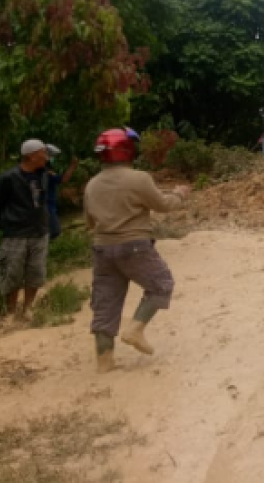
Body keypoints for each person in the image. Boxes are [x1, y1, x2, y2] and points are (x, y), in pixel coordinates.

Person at [84, 127, 190, 372]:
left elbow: (90, 222)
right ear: (127, 150)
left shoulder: (92, 184)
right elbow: (163, 205)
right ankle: (135, 329)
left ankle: (105, 364)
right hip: (134, 246)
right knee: (161, 284)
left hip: (102, 249)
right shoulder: (138, 178)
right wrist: (180, 194)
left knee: (104, 306)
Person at [0, 139, 52, 320]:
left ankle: (28, 308)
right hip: (15, 232)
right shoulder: (8, 178)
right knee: (12, 272)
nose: (46, 157)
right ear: (31, 156)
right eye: (42, 153)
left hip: (39, 230)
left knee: (36, 271)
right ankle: (10, 312)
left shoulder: (43, 174)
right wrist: (9, 220)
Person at [44, 144, 79, 241]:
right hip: (47, 205)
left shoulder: (45, 170)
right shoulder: (46, 172)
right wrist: (72, 166)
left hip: (48, 204)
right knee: (55, 231)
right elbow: (64, 179)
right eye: (51, 157)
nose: (52, 159)